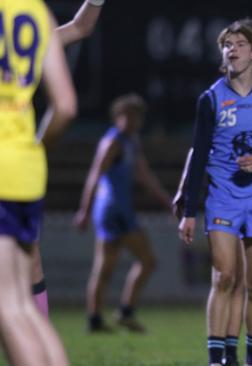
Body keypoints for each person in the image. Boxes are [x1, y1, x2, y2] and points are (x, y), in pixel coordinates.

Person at [177, 20, 252, 366]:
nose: (233, 49)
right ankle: (218, 359)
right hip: (223, 196)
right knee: (225, 276)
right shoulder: (211, 99)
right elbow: (198, 154)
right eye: (228, 44)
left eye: (241, 43)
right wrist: (188, 210)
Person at [0, 0, 77, 364]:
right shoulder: (36, 12)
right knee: (21, 303)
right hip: (24, 169)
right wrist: (34, 150)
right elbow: (65, 106)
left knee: (7, 308)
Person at [31, 0, 105, 318]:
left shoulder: (19, 34)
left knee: (27, 262)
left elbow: (80, 27)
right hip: (16, 162)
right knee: (26, 263)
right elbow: (80, 28)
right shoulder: (26, 29)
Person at [73, 93, 169, 333]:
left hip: (117, 210)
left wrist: (166, 200)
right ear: (117, 117)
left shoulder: (130, 142)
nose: (132, 121)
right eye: (128, 115)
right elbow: (95, 174)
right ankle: (124, 312)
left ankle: (97, 320)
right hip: (113, 210)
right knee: (146, 260)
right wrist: (84, 210)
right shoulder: (113, 142)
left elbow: (144, 175)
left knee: (107, 267)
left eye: (136, 116)